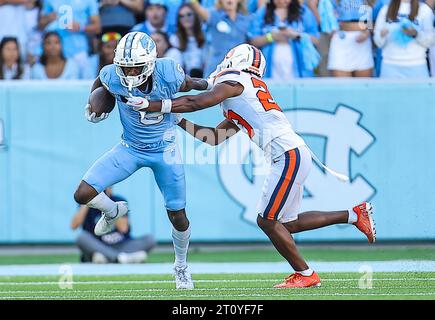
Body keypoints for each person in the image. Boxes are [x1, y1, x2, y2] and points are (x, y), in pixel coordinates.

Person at [140, 44, 376, 288]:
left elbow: (196, 102)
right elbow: (212, 138)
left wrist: (153, 105)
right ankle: (354, 215)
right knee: (285, 224)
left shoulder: (236, 80)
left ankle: (306, 274)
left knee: (267, 221)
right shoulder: (244, 92)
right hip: (289, 154)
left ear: (235, 60)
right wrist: (178, 120)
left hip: (287, 155)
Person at [73, 31, 211, 289]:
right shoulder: (113, 74)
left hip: (165, 151)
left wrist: (212, 83)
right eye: (125, 67)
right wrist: (92, 106)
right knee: (82, 193)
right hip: (131, 148)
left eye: (135, 66)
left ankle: (181, 266)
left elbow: (191, 84)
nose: (129, 73)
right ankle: (113, 210)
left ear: (150, 62)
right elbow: (100, 82)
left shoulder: (169, 72)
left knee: (178, 215)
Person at [71, 186, 156, 263]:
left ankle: (108, 257)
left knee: (149, 239)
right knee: (81, 238)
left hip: (121, 245)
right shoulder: (88, 204)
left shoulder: (119, 200)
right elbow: (74, 226)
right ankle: (121, 258)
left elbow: (123, 228)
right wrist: (87, 200)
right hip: (99, 245)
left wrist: (107, 204)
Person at [249, 0, 320, 79]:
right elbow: (253, 40)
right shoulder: (262, 12)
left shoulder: (303, 12)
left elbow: (316, 40)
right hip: (269, 70)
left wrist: (297, 35)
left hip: (300, 70)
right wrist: (271, 37)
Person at [38, 0, 101, 78]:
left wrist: (81, 27)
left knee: (82, 86)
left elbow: (98, 27)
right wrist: (48, 18)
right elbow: (40, 25)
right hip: (53, 51)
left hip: (78, 52)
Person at [189, 0, 252, 77]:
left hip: (238, 72)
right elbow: (197, 7)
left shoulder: (246, 19)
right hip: (215, 71)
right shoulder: (214, 15)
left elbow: (253, 41)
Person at [374, 0, 435, 78]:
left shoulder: (425, 9)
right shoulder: (385, 9)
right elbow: (377, 42)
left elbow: (430, 41)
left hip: (417, 66)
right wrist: (382, 36)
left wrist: (415, 34)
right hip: (390, 66)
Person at [327, 0, 374, 77]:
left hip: (362, 42)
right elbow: (327, 13)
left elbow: (371, 15)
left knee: (363, 86)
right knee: (342, 87)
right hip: (341, 41)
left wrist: (367, 32)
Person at [170, 3, 205, 77]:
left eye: (189, 14)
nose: (186, 18)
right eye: (181, 16)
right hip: (185, 79)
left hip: (206, 76)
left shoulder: (206, 35)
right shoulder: (174, 39)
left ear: (196, 15)